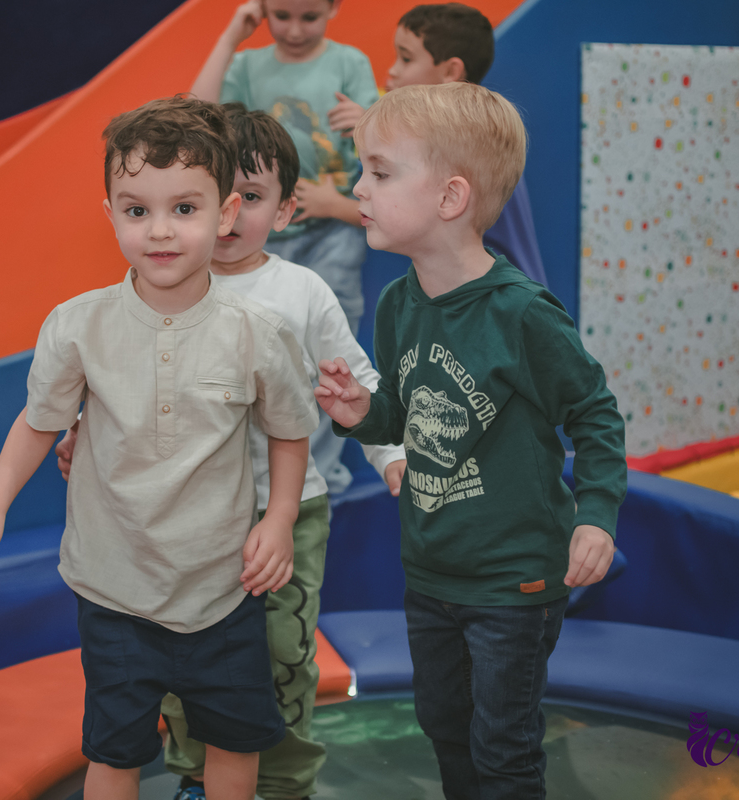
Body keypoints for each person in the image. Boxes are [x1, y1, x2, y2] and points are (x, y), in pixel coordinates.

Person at [0, 96, 319, 800]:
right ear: (111, 214)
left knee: (236, 740)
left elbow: (290, 431)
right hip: (115, 589)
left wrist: (277, 521)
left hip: (222, 588)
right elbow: (37, 424)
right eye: (137, 209)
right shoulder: (78, 327)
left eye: (185, 209)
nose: (160, 231)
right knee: (115, 747)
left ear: (227, 212)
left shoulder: (256, 332)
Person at [59, 103, 406, 800]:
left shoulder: (297, 291)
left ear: (284, 211)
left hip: (287, 513)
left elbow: (355, 381)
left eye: (255, 197)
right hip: (179, 524)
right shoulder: (165, 280)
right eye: (227, 193)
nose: (237, 211)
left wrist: (391, 453)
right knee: (189, 660)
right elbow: (123, 381)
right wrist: (84, 432)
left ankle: (284, 783)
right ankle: (197, 775)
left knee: (278, 658)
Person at [314, 82, 627, 800]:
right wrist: (362, 411)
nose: (359, 187)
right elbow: (406, 414)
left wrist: (596, 515)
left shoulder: (520, 315)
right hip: (431, 572)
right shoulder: (399, 303)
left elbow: (596, 416)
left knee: (503, 745)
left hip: (513, 579)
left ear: (451, 198)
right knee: (444, 723)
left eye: (381, 173)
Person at [297, 2, 550, 287]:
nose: (391, 71)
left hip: (502, 296)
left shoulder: (464, 137)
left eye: (406, 59)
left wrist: (331, 205)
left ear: (450, 71)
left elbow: (398, 208)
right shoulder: (461, 133)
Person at [190, 0, 379, 336]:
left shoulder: (350, 63)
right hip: (260, 229)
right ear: (263, 8)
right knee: (256, 321)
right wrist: (230, 38)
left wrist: (367, 121)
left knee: (332, 313)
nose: (294, 30)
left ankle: (330, 384)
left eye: (309, 17)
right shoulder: (248, 65)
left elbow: (383, 149)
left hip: (331, 227)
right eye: (281, 16)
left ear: (333, 7)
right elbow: (197, 119)